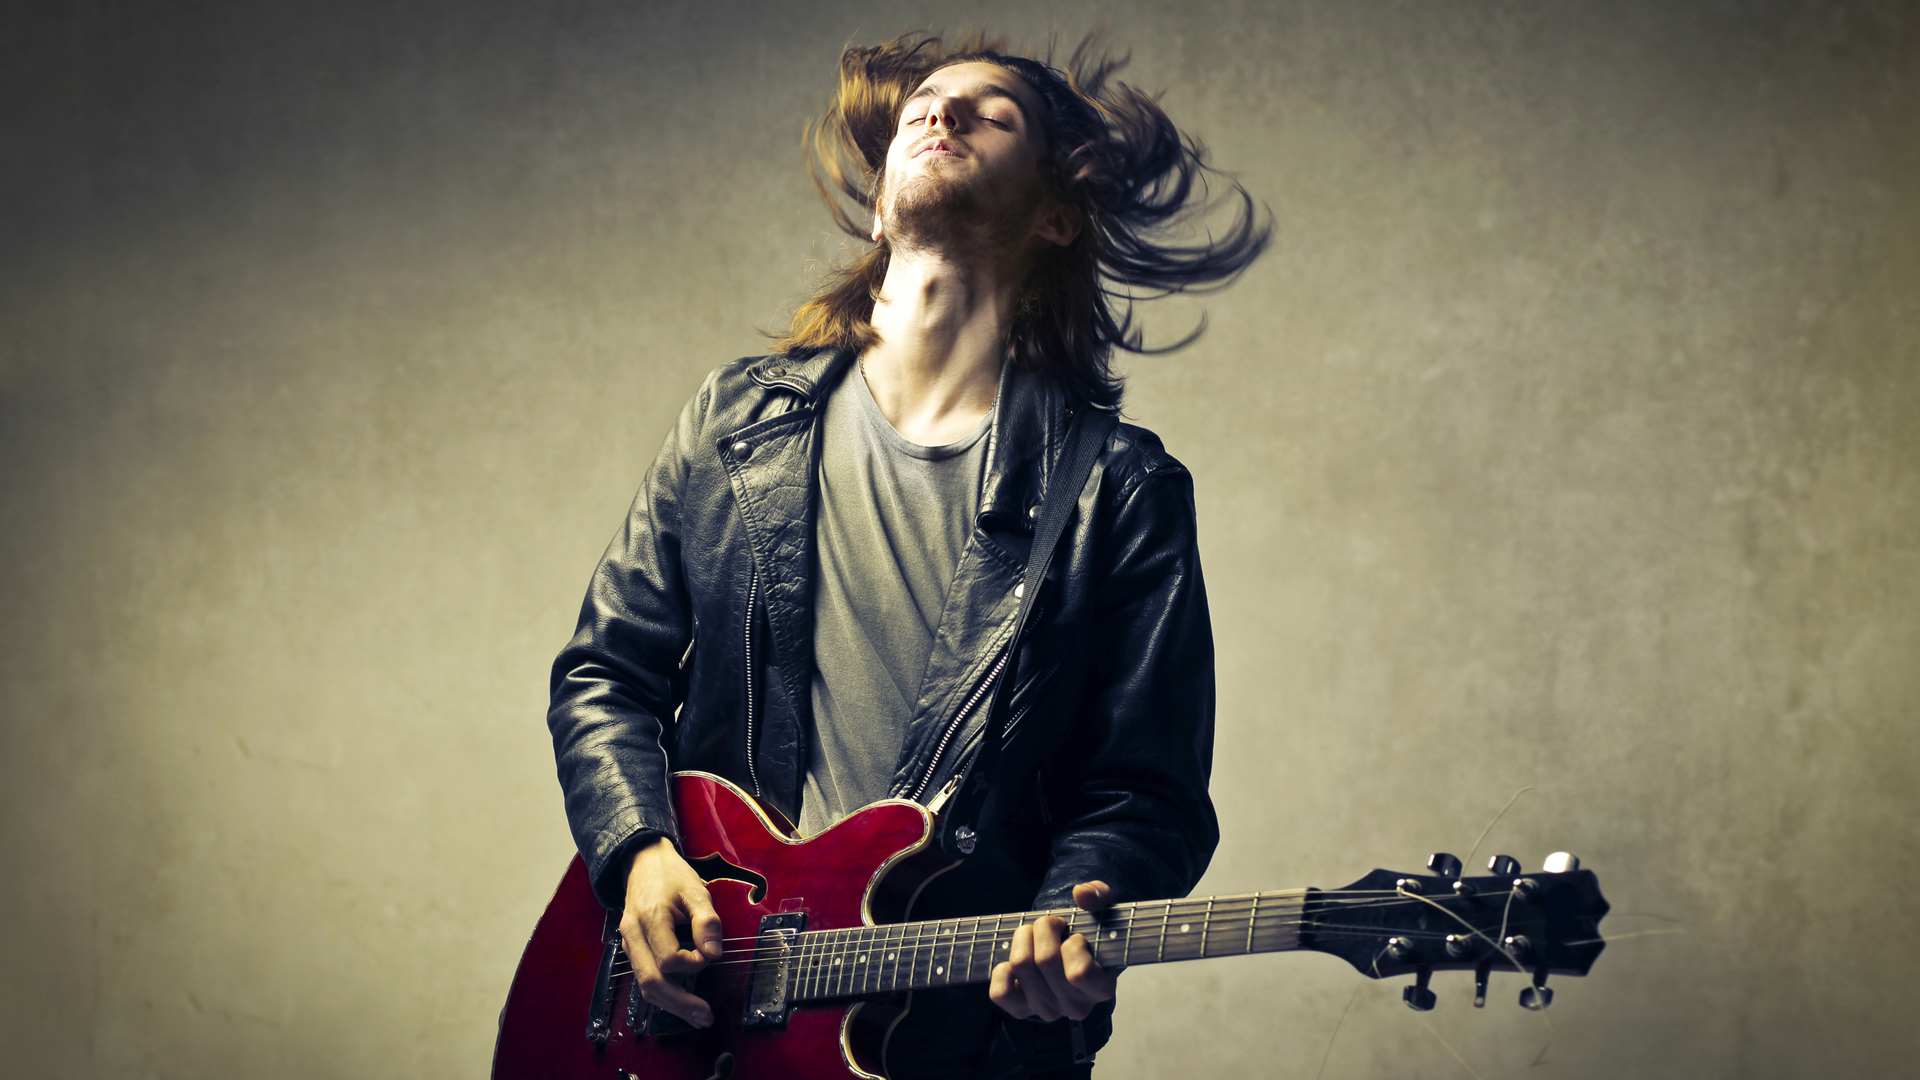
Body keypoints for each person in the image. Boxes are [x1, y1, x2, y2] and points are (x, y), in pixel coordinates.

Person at [547, 32, 1268, 1079]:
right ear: (882, 208)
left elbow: (1143, 789)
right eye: (925, 102)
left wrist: (1075, 914)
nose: (941, 113)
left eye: (993, 111)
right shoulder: (735, 420)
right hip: (696, 1016)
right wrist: (639, 853)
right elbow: (606, 672)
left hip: (952, 1039)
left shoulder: (1120, 490)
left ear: (1055, 215)